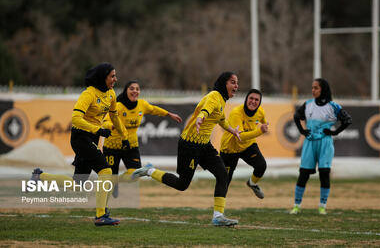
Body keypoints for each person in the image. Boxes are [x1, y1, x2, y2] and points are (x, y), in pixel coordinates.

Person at [132, 72, 241, 226]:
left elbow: (221, 119)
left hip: (204, 145)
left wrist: (233, 130)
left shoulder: (222, 100)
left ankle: (218, 217)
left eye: (237, 83)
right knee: (182, 184)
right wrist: (200, 117)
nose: (236, 86)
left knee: (223, 174)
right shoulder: (214, 96)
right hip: (190, 144)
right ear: (224, 83)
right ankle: (149, 170)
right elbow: (206, 109)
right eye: (232, 82)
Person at [31, 63, 129, 226]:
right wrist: (97, 129)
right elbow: (76, 119)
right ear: (102, 77)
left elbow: (114, 117)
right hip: (80, 138)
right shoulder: (89, 93)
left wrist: (124, 135)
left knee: (77, 185)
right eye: (112, 76)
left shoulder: (111, 94)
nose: (115, 79)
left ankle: (39, 176)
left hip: (91, 138)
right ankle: (101, 215)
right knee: (105, 170)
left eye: (115, 76)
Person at [102, 80, 182, 198]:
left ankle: (116, 181)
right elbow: (105, 122)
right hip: (112, 147)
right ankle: (103, 211)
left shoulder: (142, 105)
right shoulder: (118, 106)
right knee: (108, 179)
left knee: (135, 174)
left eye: (137, 89)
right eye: (132, 89)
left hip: (131, 146)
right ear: (126, 91)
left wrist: (168, 114)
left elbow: (153, 109)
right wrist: (111, 126)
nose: (135, 91)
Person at [289, 78, 352, 215]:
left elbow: (347, 120)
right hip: (310, 142)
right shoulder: (308, 104)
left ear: (323, 89)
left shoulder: (333, 106)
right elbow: (296, 116)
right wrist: (302, 131)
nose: (313, 90)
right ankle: (296, 205)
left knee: (324, 173)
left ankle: (322, 206)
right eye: (312, 88)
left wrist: (334, 132)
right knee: (304, 174)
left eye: (316, 88)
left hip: (325, 143)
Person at [219, 89, 269, 199]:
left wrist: (265, 125)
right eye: (251, 98)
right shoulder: (236, 113)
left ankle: (252, 183)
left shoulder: (260, 112)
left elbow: (263, 121)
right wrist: (260, 131)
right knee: (224, 182)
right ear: (246, 99)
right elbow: (239, 137)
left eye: (257, 100)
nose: (253, 101)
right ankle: (218, 212)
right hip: (230, 149)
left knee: (261, 166)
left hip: (247, 146)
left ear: (259, 102)